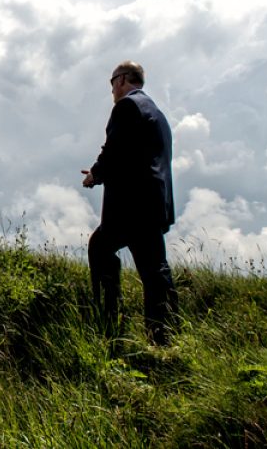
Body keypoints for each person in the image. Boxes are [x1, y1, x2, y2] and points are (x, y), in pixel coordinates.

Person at [81, 60, 179, 345]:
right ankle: (164, 335)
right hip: (154, 203)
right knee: (154, 269)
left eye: (112, 83)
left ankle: (109, 318)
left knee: (100, 248)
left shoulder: (126, 107)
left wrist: (95, 175)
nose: (111, 90)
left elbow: (115, 150)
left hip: (132, 204)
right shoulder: (157, 114)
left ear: (122, 79)